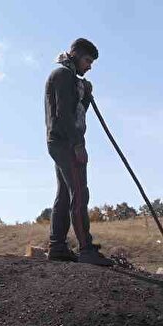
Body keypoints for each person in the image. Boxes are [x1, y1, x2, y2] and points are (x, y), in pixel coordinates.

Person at [44, 37, 113, 266]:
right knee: (80, 193)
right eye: (87, 60)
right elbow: (64, 116)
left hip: (60, 141)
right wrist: (77, 145)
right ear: (74, 54)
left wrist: (85, 97)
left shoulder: (71, 80)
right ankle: (86, 249)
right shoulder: (63, 76)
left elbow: (77, 112)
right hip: (65, 142)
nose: (89, 66)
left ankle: (58, 246)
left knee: (65, 194)